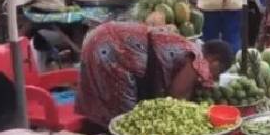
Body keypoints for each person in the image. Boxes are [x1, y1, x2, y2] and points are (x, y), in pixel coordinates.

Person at [76, 22, 233, 127]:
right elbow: (174, 97)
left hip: (98, 36)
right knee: (126, 119)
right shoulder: (198, 58)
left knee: (101, 92)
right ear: (215, 63)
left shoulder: (187, 45)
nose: (212, 76)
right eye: (217, 73)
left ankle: (96, 133)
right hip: (111, 47)